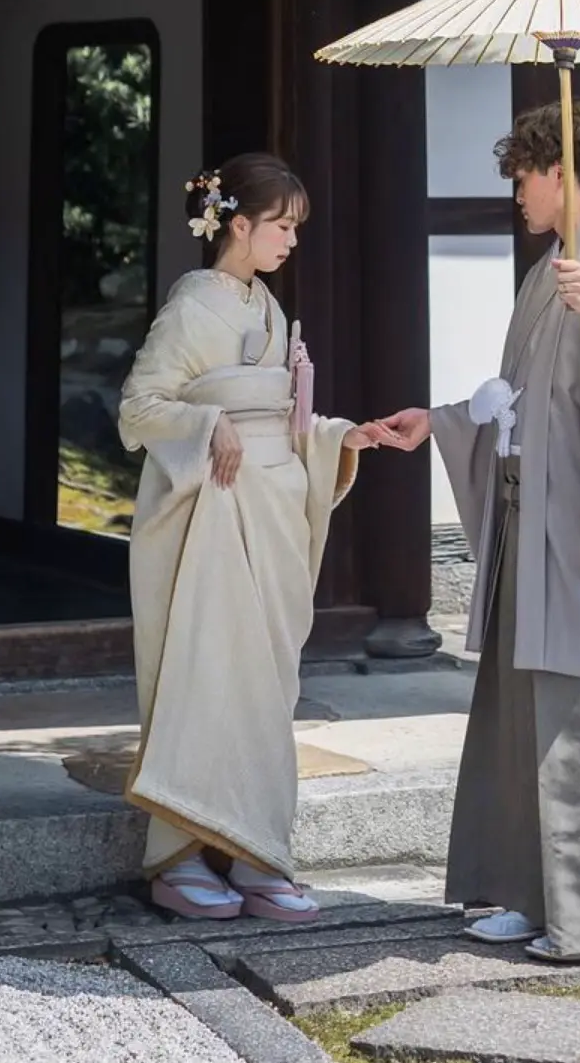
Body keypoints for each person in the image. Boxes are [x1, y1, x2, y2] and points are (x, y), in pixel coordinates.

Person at [371, 101, 580, 961]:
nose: (516, 195)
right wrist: (447, 420)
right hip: (534, 527)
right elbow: (519, 407)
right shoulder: (544, 273)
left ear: (559, 172)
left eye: (522, 176)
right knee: (524, 711)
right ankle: (531, 892)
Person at [117, 152, 379, 924]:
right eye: (281, 225)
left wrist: (341, 435)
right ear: (239, 224)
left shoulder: (266, 308)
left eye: (295, 227)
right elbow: (139, 407)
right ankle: (181, 853)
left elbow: (287, 423)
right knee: (206, 674)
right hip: (211, 518)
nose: (292, 240)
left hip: (270, 513)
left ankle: (260, 848)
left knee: (264, 690)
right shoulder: (193, 307)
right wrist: (206, 422)